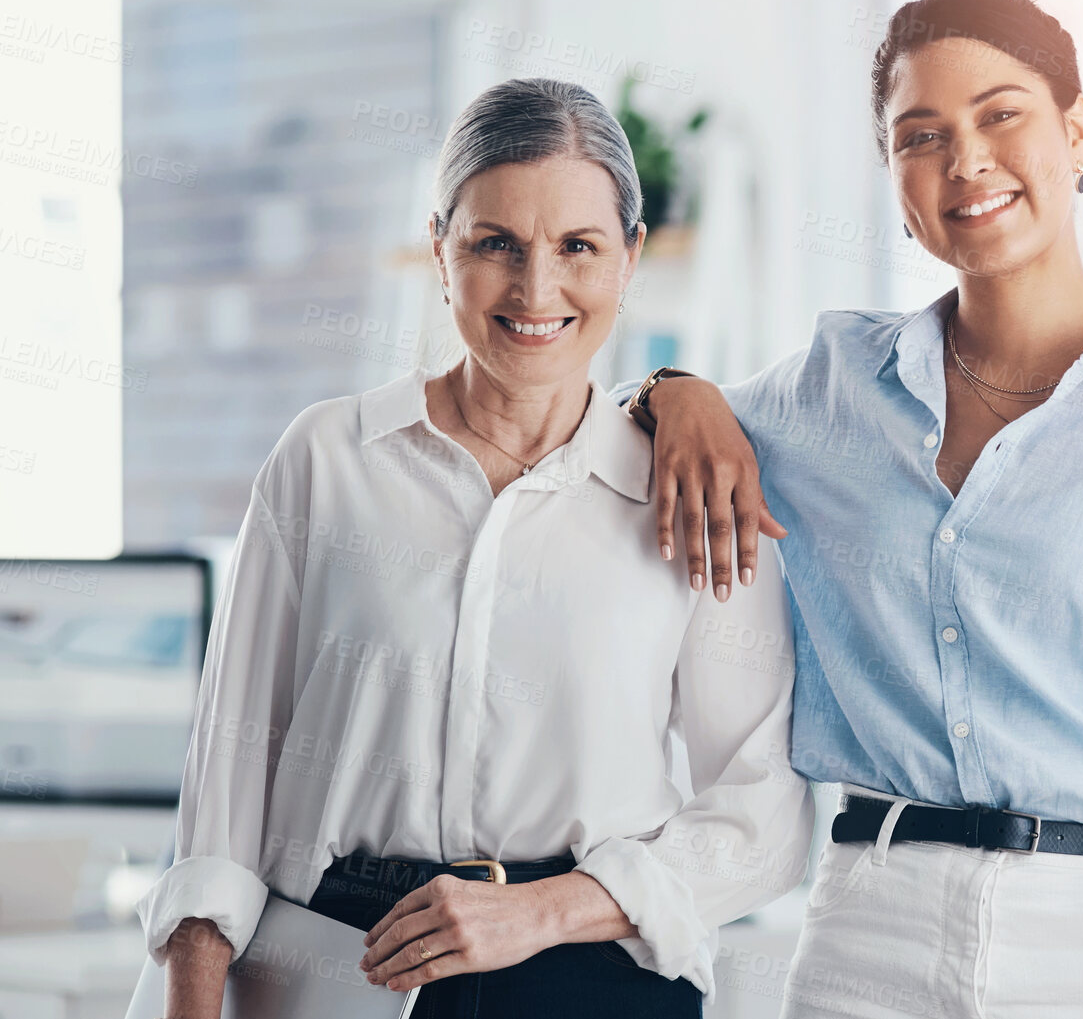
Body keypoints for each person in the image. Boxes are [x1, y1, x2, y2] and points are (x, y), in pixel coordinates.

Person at [620, 0, 1083, 1017]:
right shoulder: (829, 390)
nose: (966, 161)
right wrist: (668, 392)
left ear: (1076, 128)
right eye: (922, 136)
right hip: (864, 928)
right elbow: (613, 433)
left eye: (1001, 114)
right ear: (896, 181)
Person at [135, 77, 812, 1019]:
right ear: (441, 250)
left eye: (578, 246)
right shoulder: (327, 460)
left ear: (630, 259)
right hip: (335, 968)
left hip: (594, 975)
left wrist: (541, 912)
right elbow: (227, 775)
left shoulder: (689, 489)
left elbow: (764, 812)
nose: (536, 288)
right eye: (496, 244)